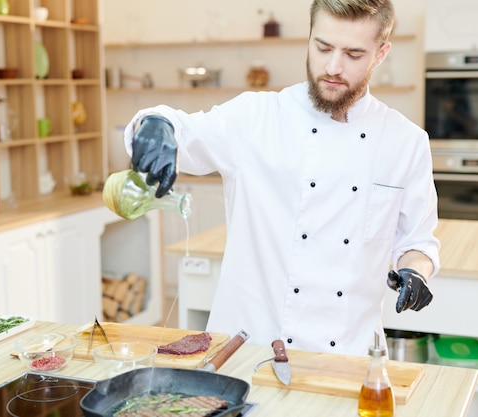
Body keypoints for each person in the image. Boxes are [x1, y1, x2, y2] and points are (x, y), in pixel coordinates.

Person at [122, 0, 440, 356]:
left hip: (348, 355)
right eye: (323, 48)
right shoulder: (256, 117)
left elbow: (418, 242)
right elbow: (181, 128)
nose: (333, 66)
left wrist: (416, 272)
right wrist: (154, 124)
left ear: (380, 54)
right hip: (246, 348)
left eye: (353, 54)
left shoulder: (406, 142)